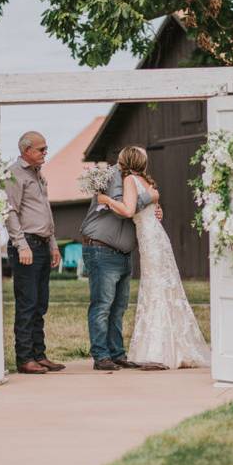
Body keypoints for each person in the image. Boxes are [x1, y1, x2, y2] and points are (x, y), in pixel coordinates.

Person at [97, 146, 210, 369]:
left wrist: (106, 200)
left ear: (127, 161)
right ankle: (171, 346)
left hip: (150, 238)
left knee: (155, 288)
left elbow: (129, 211)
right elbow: (151, 208)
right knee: (162, 287)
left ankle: (157, 350)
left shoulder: (129, 179)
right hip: (157, 236)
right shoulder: (147, 182)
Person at [79, 154, 158, 371]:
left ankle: (117, 353)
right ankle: (101, 356)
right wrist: (148, 198)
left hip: (123, 253)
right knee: (102, 305)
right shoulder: (111, 177)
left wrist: (154, 206)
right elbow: (125, 210)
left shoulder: (134, 179)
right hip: (101, 250)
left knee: (119, 307)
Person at [5, 131, 65, 375]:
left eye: (46, 149)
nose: (45, 153)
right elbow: (10, 211)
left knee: (41, 303)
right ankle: (25, 358)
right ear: (26, 150)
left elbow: (45, 213)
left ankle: (39, 355)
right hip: (27, 245)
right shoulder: (14, 174)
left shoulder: (38, 175)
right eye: (41, 149)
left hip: (42, 243)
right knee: (27, 303)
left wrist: (53, 245)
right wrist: (21, 245)